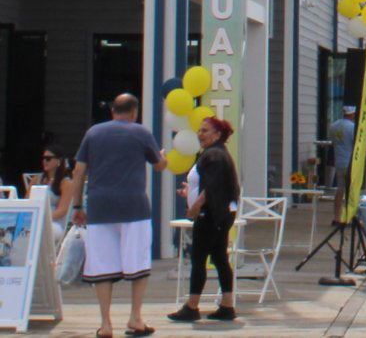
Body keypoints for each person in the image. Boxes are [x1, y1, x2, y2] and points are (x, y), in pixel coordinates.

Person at [71, 93, 167, 338]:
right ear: (134, 112)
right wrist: (164, 157)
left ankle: (105, 324)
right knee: (138, 261)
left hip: (100, 206)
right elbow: (158, 165)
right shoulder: (141, 133)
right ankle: (135, 317)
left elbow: (79, 171)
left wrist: (77, 207)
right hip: (134, 206)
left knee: (102, 265)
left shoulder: (93, 133)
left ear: (113, 111)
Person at [168, 117, 240, 323]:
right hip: (220, 213)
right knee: (219, 258)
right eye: (199, 130)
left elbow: (212, 186)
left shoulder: (215, 155)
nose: (200, 134)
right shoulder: (214, 154)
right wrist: (189, 192)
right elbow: (207, 185)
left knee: (199, 259)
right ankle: (227, 305)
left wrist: (195, 207)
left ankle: (192, 306)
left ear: (218, 135)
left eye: (205, 131)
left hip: (212, 214)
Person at [41, 146, 76, 244]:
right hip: (34, 220)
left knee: (41, 231)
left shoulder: (66, 183)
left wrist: (41, 217)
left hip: (54, 222)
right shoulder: (36, 180)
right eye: (43, 158)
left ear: (59, 161)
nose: (45, 161)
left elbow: (62, 210)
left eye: (48, 159)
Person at [328, 105, 357, 221]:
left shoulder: (334, 126)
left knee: (340, 190)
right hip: (350, 162)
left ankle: (336, 217)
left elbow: (333, 141)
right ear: (353, 113)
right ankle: (348, 216)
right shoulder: (353, 127)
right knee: (351, 192)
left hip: (339, 162)